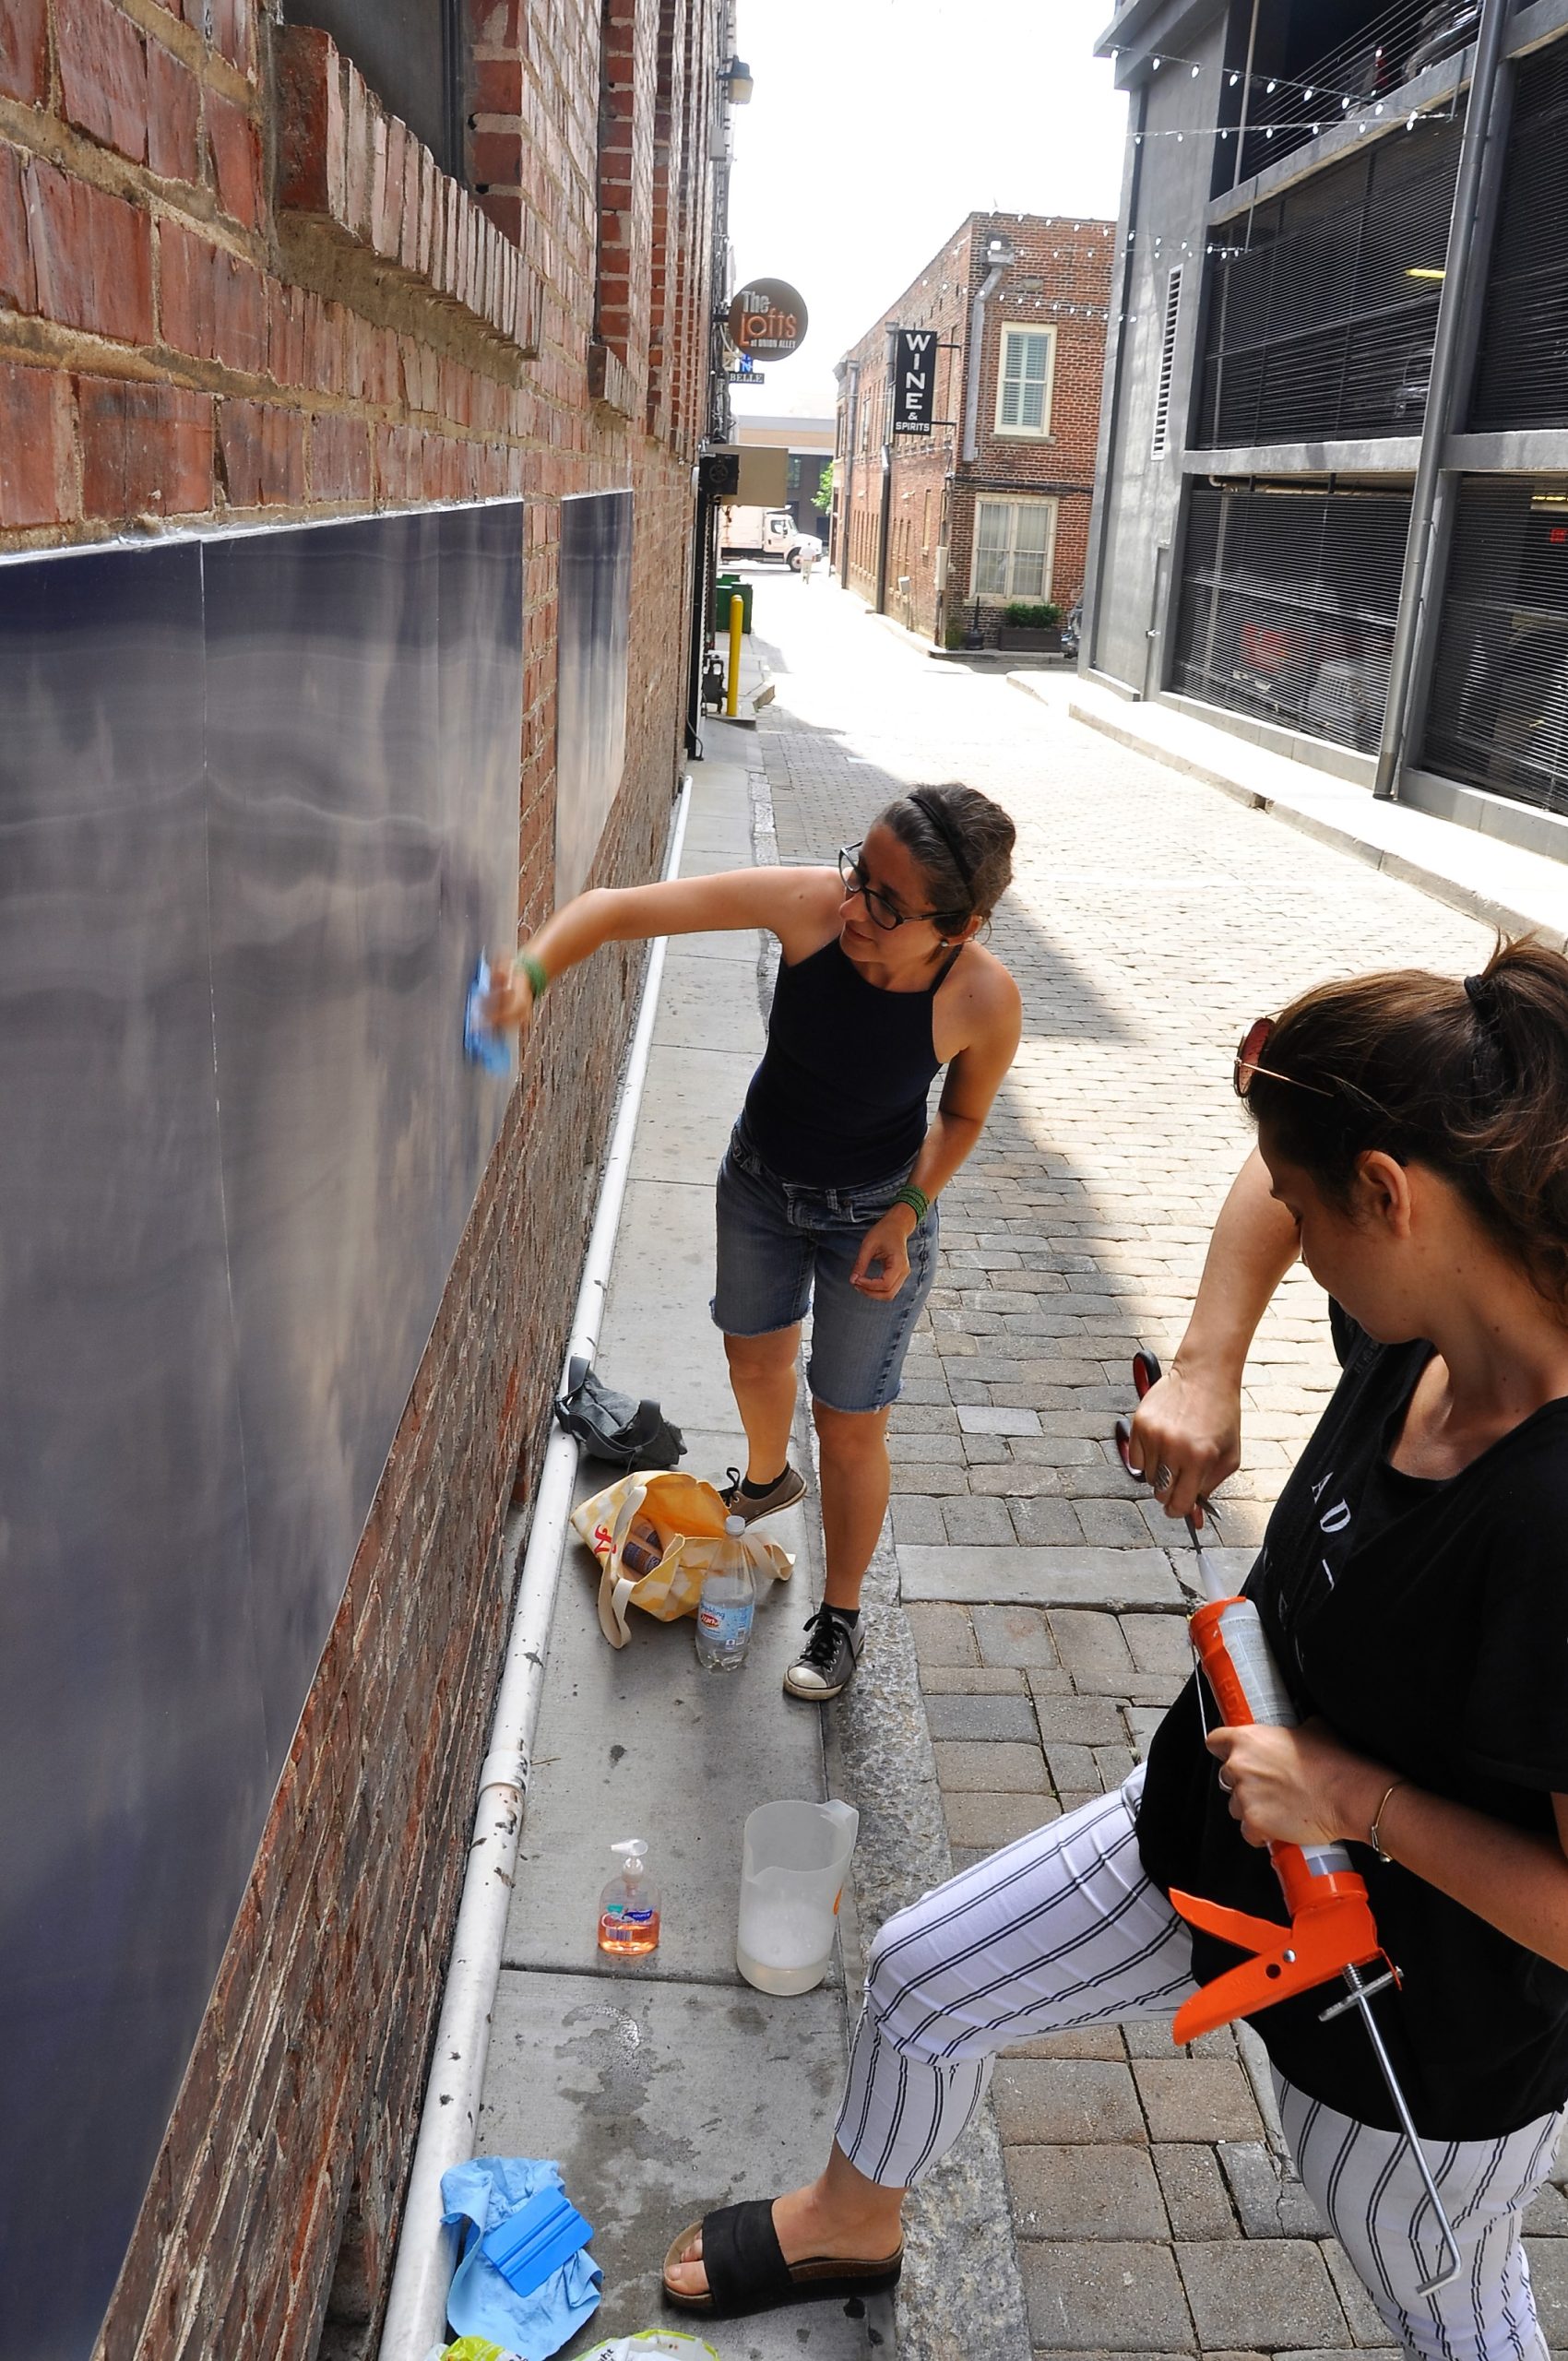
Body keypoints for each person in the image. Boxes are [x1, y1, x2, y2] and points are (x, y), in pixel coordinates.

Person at [662, 939, 1568, 2358]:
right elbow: (1280, 1179)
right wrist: (1208, 1364)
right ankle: (852, 2216)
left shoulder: (1553, 1519)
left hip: (1415, 2040)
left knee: (1460, 2317)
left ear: (1389, 1200)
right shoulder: (1445, 1299)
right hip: (1210, 1839)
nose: (1288, 1222)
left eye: (1314, 1204)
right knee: (920, 1976)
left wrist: (1352, 1801)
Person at [485, 783, 1022, 1701]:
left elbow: (964, 1115)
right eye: (859, 872)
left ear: (959, 926)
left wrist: (905, 1212)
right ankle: (767, 1479)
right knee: (753, 1363)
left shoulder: (981, 998)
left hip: (874, 1216)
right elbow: (620, 911)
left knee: (848, 1426)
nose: (853, 906)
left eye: (886, 905)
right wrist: (529, 975)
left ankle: (839, 1617)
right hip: (760, 1187)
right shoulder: (809, 907)